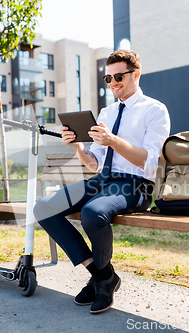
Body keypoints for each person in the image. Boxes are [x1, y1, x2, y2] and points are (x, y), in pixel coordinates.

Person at [33, 49, 171, 314]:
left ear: (136, 74)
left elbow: (150, 162)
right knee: (44, 207)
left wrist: (113, 141)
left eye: (118, 76)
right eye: (108, 78)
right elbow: (94, 163)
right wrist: (76, 147)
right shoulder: (106, 113)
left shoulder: (154, 110)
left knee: (92, 212)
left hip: (135, 184)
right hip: (102, 181)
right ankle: (102, 276)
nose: (113, 83)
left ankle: (101, 281)